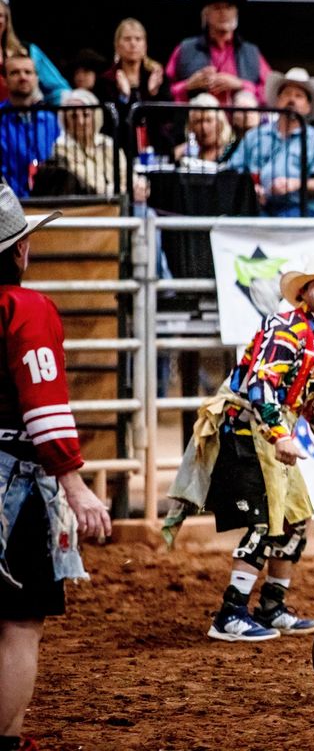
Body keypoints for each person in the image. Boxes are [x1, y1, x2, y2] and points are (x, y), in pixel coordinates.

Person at [166, 254, 314, 642]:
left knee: (292, 519)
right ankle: (230, 614)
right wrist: (280, 435)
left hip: (267, 430)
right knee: (264, 522)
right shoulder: (287, 327)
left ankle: (271, 607)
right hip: (244, 428)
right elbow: (261, 385)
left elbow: (313, 406)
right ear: (303, 292)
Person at [0, 184, 111, 749]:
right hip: (10, 480)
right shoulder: (25, 308)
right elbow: (43, 404)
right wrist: (74, 483)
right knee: (18, 621)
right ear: (20, 250)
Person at [225, 67, 314, 216]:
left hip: (300, 211)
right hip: (256, 210)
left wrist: (295, 184)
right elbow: (232, 172)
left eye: (299, 96)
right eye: (287, 94)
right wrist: (251, 189)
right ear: (277, 101)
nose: (292, 100)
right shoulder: (254, 135)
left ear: (308, 107)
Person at [165, 0, 271, 107]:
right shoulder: (186, 49)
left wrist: (240, 84)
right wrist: (188, 85)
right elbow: (165, 90)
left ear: (235, 13)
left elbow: (269, 91)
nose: (223, 13)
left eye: (228, 7)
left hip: (242, 124)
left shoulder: (250, 51)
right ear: (206, 14)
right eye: (217, 8)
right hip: (195, 123)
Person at [0, 54, 59, 199]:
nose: (23, 77)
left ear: (36, 78)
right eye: (15, 72)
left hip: (46, 203)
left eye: (28, 72)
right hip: (6, 205)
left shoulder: (50, 119)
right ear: (5, 80)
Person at [47, 88, 126, 195]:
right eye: (74, 116)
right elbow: (87, 183)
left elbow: (126, 174)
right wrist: (116, 191)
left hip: (121, 198)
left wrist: (136, 185)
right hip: (90, 205)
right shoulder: (60, 149)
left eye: (86, 115)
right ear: (65, 121)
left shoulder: (107, 142)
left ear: (94, 117)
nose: (81, 122)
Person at [95, 18, 165, 136]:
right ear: (117, 46)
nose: (133, 44)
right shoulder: (106, 80)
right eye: (127, 39)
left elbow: (166, 118)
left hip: (153, 143)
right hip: (118, 142)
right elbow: (107, 121)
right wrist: (124, 98)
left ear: (145, 46)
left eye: (138, 39)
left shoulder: (156, 76)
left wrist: (152, 93)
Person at [0, 0, 69, 106]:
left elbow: (59, 90)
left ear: (7, 19)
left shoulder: (27, 51)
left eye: (0, 15)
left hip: (23, 121)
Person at [173, 93, 234, 164]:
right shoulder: (185, 153)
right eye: (198, 121)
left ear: (220, 123)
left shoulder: (231, 152)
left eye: (209, 120)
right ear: (191, 126)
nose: (204, 127)